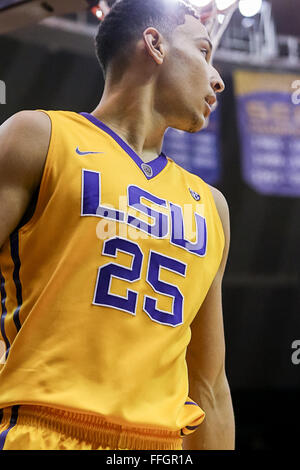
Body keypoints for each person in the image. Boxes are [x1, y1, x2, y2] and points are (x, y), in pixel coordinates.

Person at [0, 0, 235, 450]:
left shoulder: (211, 205)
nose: (217, 77)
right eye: (204, 52)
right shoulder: (38, 137)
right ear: (155, 45)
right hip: (43, 429)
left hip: (161, 446)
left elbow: (209, 384)